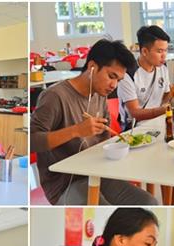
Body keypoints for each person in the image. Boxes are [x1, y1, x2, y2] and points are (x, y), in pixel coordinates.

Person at [31, 39, 158, 205]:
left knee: (148, 203)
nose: (114, 85)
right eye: (111, 76)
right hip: (65, 182)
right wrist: (76, 130)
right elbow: (32, 141)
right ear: (92, 67)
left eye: (118, 80)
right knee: (102, 211)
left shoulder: (100, 94)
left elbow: (104, 141)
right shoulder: (55, 96)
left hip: (97, 172)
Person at [118, 25, 171, 129]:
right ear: (144, 52)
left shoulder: (163, 68)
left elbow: (167, 94)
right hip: (135, 128)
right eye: (160, 51)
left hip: (157, 121)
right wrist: (164, 110)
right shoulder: (128, 74)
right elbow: (135, 113)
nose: (164, 55)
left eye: (166, 50)